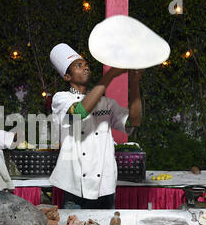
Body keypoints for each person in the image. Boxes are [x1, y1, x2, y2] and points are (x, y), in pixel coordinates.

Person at [49, 43, 144, 209]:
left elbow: (134, 121)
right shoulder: (61, 99)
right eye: (79, 66)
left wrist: (135, 83)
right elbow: (80, 111)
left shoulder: (106, 103)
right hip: (75, 187)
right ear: (67, 77)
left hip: (105, 186)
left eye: (86, 65)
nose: (86, 68)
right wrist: (110, 75)